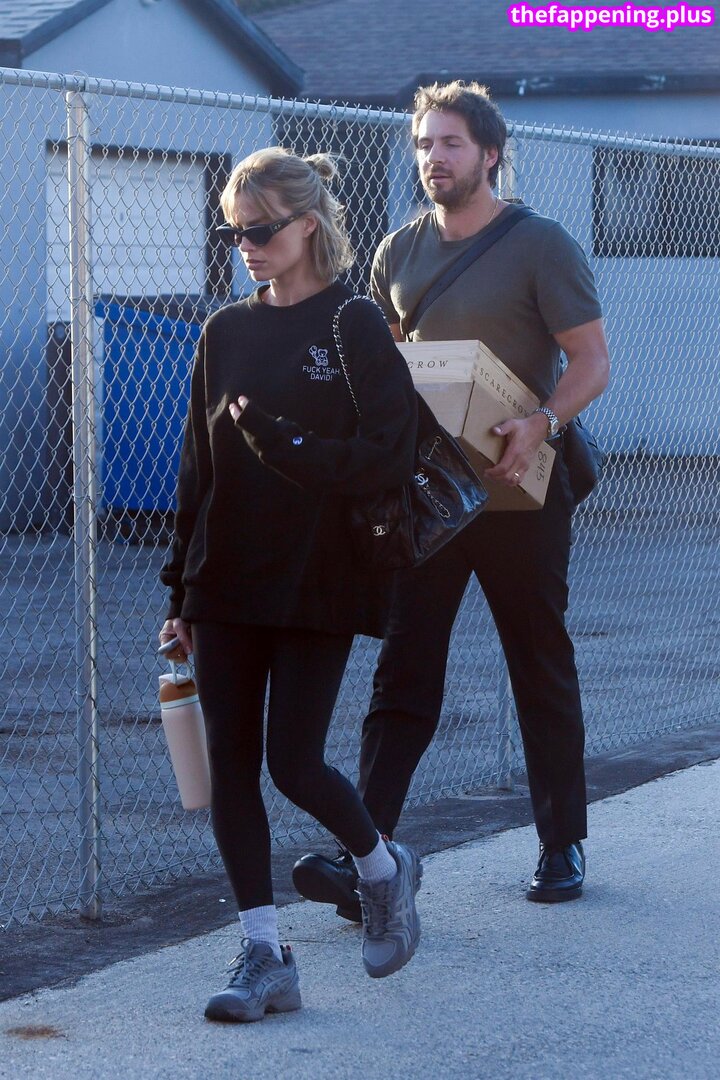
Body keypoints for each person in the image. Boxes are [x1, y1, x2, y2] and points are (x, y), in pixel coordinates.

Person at [293, 81, 610, 920]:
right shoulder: (397, 252)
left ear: (490, 153)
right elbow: (388, 368)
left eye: (451, 144)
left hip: (520, 494)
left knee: (539, 664)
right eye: (424, 144)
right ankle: (367, 859)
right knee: (402, 675)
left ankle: (561, 842)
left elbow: (591, 362)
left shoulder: (541, 245)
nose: (433, 158)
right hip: (428, 500)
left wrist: (542, 422)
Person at [159, 147, 422, 1023]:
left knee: (294, 762)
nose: (246, 246)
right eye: (232, 233)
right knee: (230, 766)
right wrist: (179, 595)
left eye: (261, 230)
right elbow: (197, 473)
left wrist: (291, 448)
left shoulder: (354, 323)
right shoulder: (223, 332)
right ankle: (265, 954)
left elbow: (389, 456)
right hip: (224, 579)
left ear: (308, 225)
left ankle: (381, 869)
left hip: (318, 577)